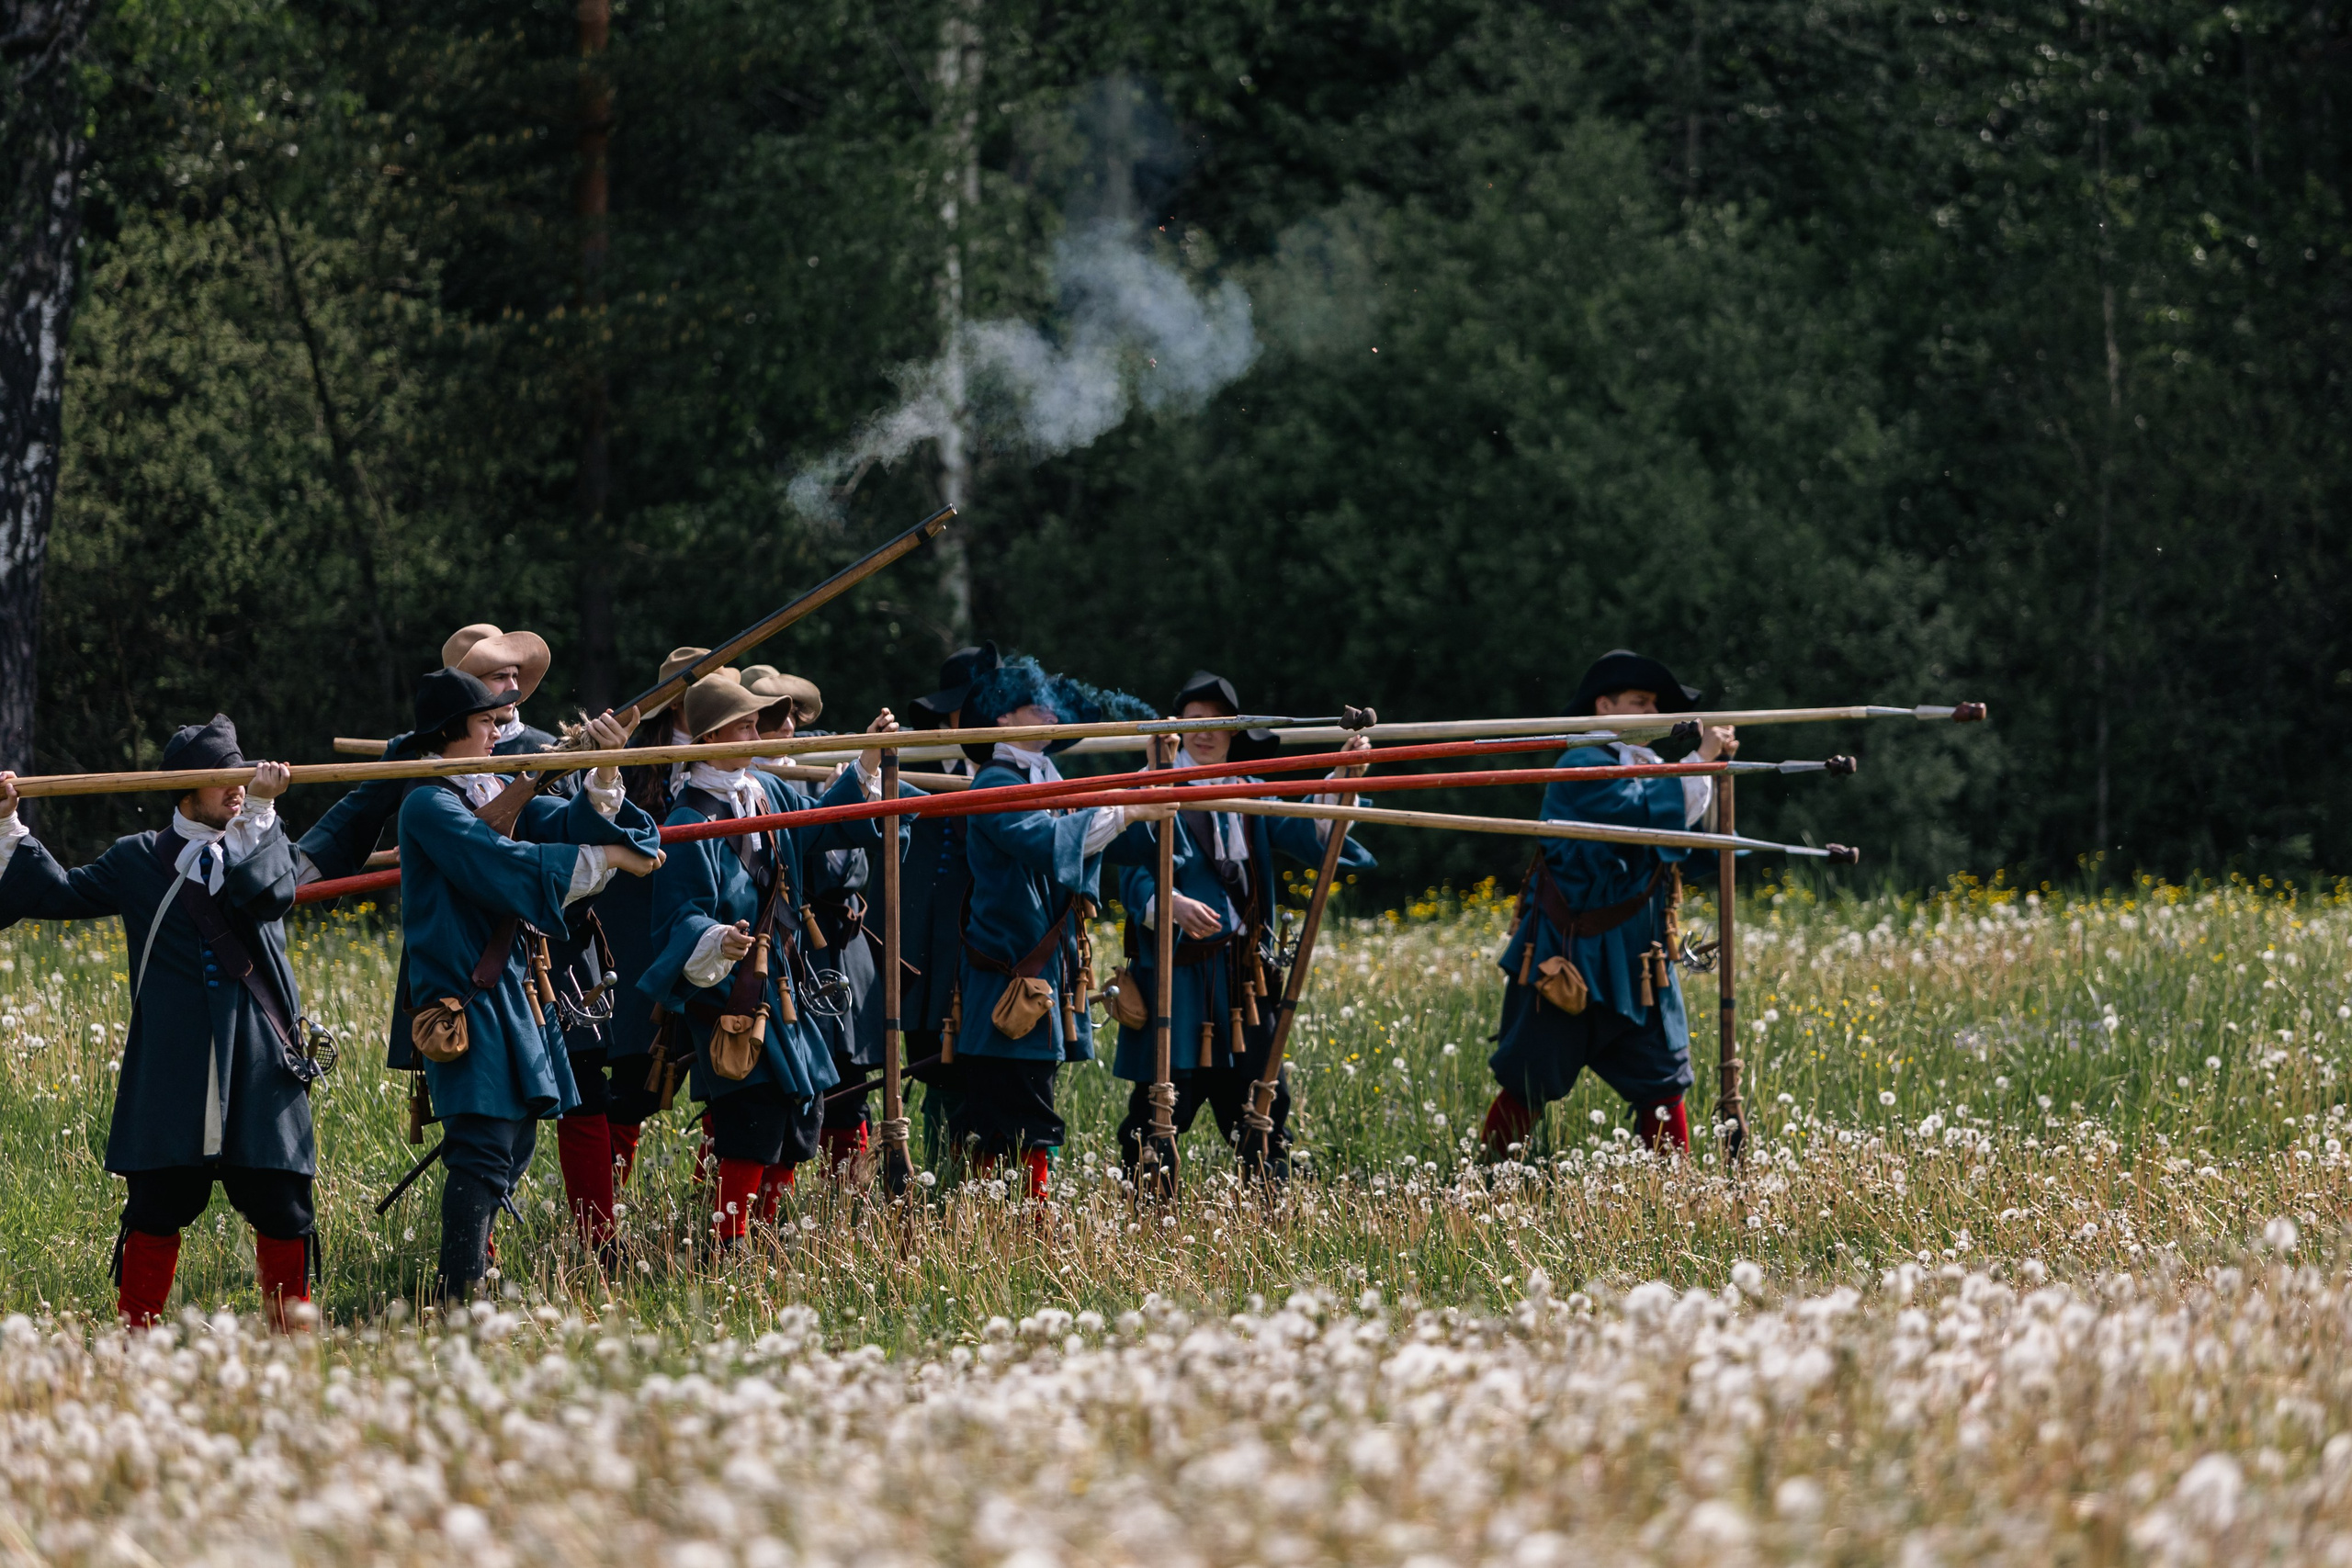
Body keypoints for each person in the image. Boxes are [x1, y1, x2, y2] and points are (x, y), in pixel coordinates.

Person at [0, 717, 321, 1329]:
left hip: (258, 1063)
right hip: (174, 1070)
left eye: (239, 773)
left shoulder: (261, 837)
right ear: (183, 788)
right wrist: (8, 821)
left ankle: (293, 1348)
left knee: (283, 1205)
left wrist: (261, 808)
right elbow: (56, 894)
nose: (236, 787)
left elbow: (265, 891)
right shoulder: (135, 859)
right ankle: (135, 1344)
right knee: (154, 1206)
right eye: (220, 778)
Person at [391, 668, 661, 1301]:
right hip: (464, 989)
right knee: (482, 1144)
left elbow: (569, 825)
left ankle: (471, 1287)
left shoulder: (491, 785)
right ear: (451, 729)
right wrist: (605, 861)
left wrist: (604, 770)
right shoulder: (427, 801)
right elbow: (495, 864)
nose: (497, 730)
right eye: (486, 720)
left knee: (513, 1141)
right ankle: (459, 1295)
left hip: (512, 991)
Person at [636, 671, 898, 1245]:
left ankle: (766, 1243)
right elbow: (680, 915)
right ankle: (731, 1250)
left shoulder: (768, 793)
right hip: (733, 994)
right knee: (750, 1123)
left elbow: (828, 827)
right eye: (747, 724)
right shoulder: (684, 822)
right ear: (708, 739)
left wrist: (868, 765)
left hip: (786, 987)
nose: (760, 732)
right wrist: (716, 939)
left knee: (796, 1123)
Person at [1110, 671, 1373, 1177]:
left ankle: (1267, 1213)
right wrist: (1172, 905)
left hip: (1244, 982)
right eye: (1195, 722)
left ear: (1234, 734)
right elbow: (1133, 878)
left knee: (1262, 1107)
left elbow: (1314, 833)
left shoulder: (1253, 792)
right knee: (1160, 1107)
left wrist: (1343, 777)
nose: (1205, 732)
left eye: (1217, 723)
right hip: (1178, 979)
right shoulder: (1154, 784)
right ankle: (1145, 1213)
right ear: (1179, 729)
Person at [1482, 649, 1736, 1159]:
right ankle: (1484, 1181)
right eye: (1639, 702)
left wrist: (1710, 780)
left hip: (1638, 961)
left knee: (1663, 1079)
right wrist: (1699, 763)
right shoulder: (1580, 764)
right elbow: (1639, 822)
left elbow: (1683, 838)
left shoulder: (1652, 769)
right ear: (1603, 705)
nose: (1651, 714)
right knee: (1529, 1078)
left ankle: (1674, 1197)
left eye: (1654, 705)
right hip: (1565, 953)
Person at [947, 656, 1165, 1198]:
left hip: (1038, 975)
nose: (1049, 712)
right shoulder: (996, 782)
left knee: (1015, 1111)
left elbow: (1095, 834)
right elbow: (1052, 845)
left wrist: (1145, 788)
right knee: (1020, 1112)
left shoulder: (1043, 778)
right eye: (1033, 705)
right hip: (1010, 975)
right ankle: (1025, 1224)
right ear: (1002, 718)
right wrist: (1130, 805)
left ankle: (998, 1221)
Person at [293, 623, 557, 884]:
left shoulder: (546, 750)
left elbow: (561, 829)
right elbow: (359, 814)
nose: (514, 687)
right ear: (467, 687)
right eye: (499, 677)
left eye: (514, 675)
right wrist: (284, 872)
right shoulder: (418, 751)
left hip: (533, 901)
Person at [898, 643, 998, 1167]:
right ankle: (939, 1178)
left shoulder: (1016, 769)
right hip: (924, 957)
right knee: (932, 1066)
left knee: (989, 1073)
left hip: (988, 951)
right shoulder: (913, 766)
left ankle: (981, 1192)